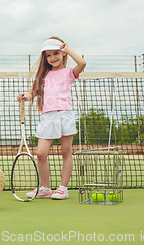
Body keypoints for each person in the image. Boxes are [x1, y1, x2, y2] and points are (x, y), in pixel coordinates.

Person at [17, 37, 86, 200]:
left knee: (66, 151)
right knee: (41, 153)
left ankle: (63, 188)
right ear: (45, 58)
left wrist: (67, 49)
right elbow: (33, 92)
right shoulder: (44, 75)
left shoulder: (69, 72)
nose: (53, 57)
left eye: (56, 53)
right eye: (48, 55)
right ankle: (45, 188)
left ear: (63, 54)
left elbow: (82, 63)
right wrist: (26, 96)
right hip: (48, 117)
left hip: (65, 115)